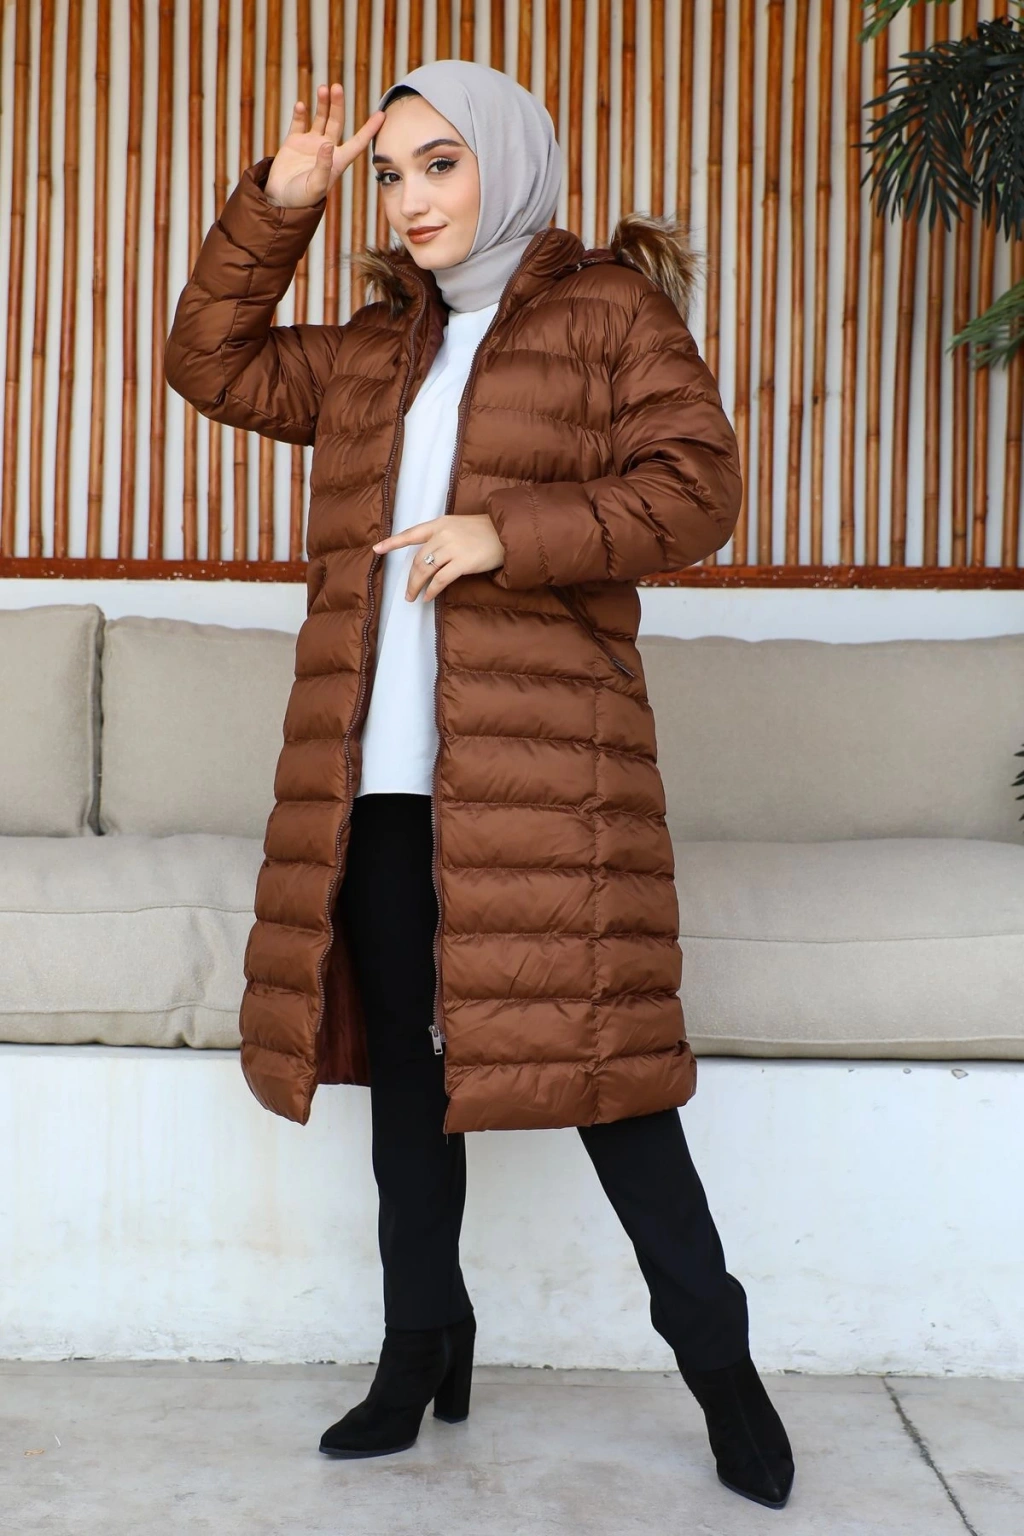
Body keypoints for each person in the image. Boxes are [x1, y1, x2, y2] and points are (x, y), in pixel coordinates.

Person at [164, 59, 794, 1512]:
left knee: (613, 1087)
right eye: (391, 173)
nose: (410, 197)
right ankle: (418, 1348)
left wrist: (509, 533)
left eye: (438, 163)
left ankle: (723, 1371)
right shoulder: (375, 348)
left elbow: (698, 487)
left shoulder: (609, 314)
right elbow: (210, 364)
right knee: (409, 1079)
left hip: (547, 779)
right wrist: (281, 203)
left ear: (506, 161)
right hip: (375, 782)